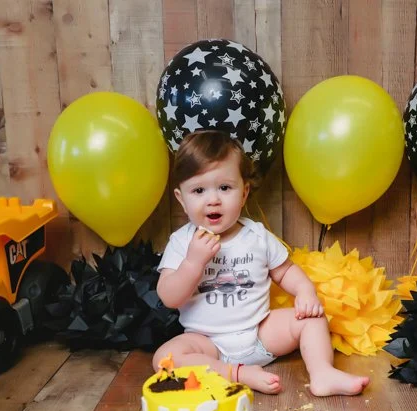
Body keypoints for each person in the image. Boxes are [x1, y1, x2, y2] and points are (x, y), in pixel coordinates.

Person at [154, 130, 369, 396]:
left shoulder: (256, 236)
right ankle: (237, 375)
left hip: (259, 333)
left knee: (312, 318)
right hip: (207, 345)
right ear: (181, 199)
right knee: (166, 358)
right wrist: (192, 263)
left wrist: (305, 292)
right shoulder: (181, 242)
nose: (213, 199)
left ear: (244, 193)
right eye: (198, 190)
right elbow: (169, 297)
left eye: (224, 188)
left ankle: (322, 373)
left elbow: (285, 270)